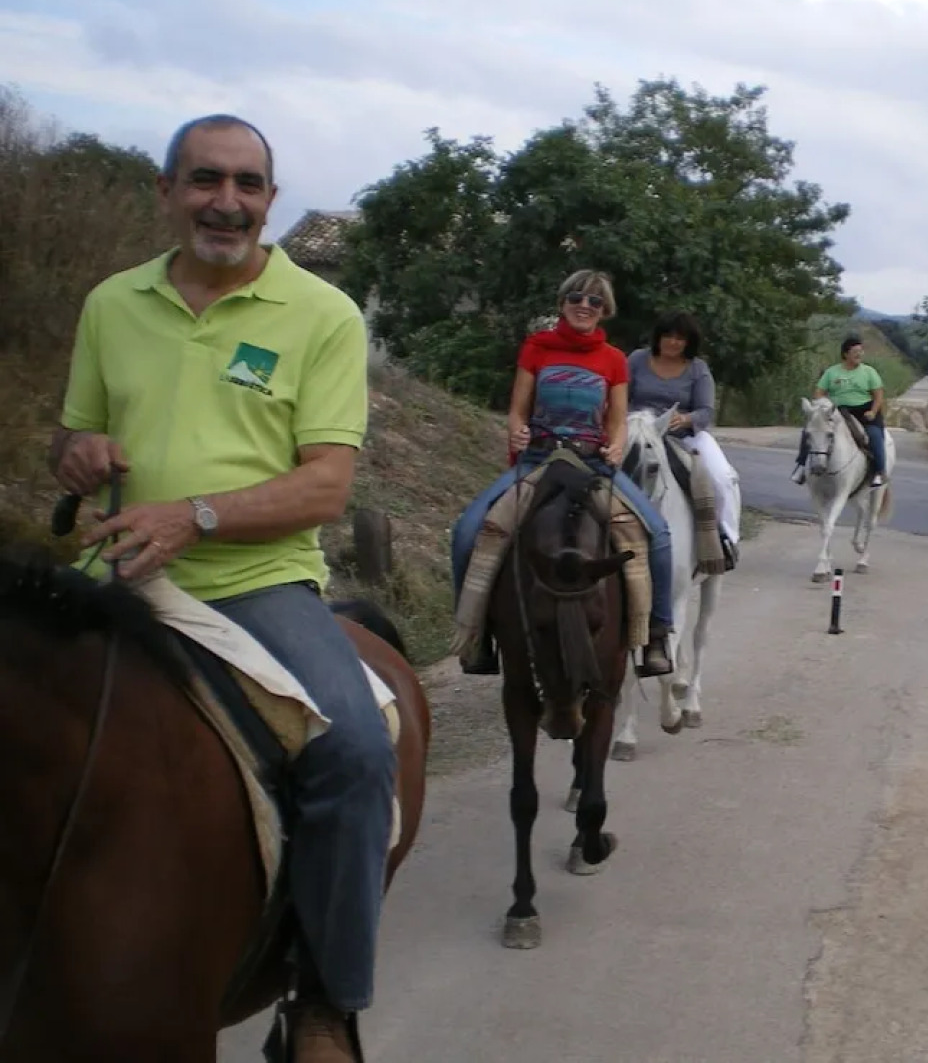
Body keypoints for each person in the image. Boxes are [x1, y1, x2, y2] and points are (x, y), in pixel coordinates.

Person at [49, 114, 393, 1061]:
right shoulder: (111, 303)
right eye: (206, 180)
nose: (226, 202)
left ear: (271, 203)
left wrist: (190, 516)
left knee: (357, 751)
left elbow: (326, 484)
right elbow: (69, 436)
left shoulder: (322, 315)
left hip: (255, 583)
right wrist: (75, 454)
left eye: (248, 185)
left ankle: (326, 1003)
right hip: (109, 576)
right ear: (165, 192)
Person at [449, 269, 674, 677]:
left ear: (605, 310)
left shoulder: (614, 360)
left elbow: (618, 418)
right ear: (562, 303)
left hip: (592, 465)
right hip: (539, 460)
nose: (585, 306)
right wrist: (515, 428)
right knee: (467, 532)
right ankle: (476, 636)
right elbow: (518, 407)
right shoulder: (536, 348)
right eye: (577, 297)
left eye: (595, 301)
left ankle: (657, 633)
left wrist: (617, 442)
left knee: (657, 535)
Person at [626, 310, 741, 570]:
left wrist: (686, 419)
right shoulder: (636, 359)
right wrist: (633, 420)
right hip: (637, 432)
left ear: (689, 341)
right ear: (658, 336)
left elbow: (706, 410)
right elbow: (621, 395)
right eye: (668, 336)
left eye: (680, 338)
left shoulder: (698, 369)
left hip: (683, 435)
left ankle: (725, 538)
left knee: (722, 477)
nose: (673, 342)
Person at [791, 333, 888, 488]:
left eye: (861, 351)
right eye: (855, 351)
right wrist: (822, 406)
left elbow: (878, 396)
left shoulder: (869, 372)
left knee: (875, 435)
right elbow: (819, 392)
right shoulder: (832, 372)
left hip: (864, 411)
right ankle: (801, 465)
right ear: (845, 354)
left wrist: (873, 412)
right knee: (811, 431)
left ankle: (879, 471)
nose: (859, 354)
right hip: (838, 411)